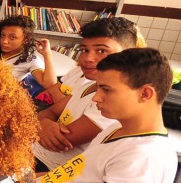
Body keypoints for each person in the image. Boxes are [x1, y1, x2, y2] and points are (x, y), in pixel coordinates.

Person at [42, 48, 177, 183]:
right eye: (97, 88)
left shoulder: (145, 156)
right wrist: (20, 180)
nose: (96, 98)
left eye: (106, 89)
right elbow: (71, 175)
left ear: (145, 94)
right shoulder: (116, 128)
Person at [34, 17, 140, 171]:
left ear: (128, 54)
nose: (88, 59)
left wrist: (39, 124)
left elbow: (61, 141)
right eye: (84, 50)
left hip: (50, 169)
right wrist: (43, 123)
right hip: (33, 153)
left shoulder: (113, 99)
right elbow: (49, 111)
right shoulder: (90, 85)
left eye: (101, 50)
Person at [0, 15, 57, 89]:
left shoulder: (30, 59)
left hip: (3, 100)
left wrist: (47, 54)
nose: (4, 41)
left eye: (12, 37)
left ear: (26, 40)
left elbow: (49, 84)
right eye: (2, 35)